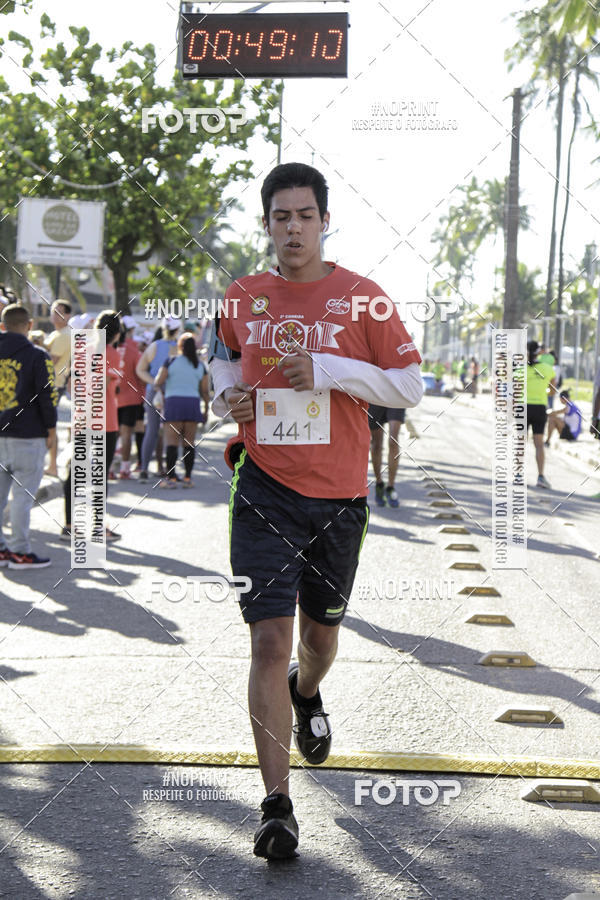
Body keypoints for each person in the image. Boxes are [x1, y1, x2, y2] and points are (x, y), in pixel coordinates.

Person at [209, 162, 423, 860]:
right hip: (263, 486)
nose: (293, 227)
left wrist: (329, 370)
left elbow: (409, 385)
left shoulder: (365, 301)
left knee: (318, 642)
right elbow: (222, 358)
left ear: (325, 221)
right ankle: (277, 806)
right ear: (266, 224)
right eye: (280, 216)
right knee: (267, 642)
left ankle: (307, 693)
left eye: (305, 215)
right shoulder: (243, 295)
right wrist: (225, 400)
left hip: (338, 498)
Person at [0, 303, 57, 568]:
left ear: (3, 326)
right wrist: (52, 429)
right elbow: (48, 396)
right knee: (22, 499)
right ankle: (20, 552)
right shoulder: (37, 355)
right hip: (29, 434)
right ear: (30, 325)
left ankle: (2, 550)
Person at [154, 331, 209, 487]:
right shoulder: (200, 365)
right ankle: (187, 478)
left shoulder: (170, 361)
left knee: (171, 443)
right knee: (189, 443)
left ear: (179, 346)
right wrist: (205, 410)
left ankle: (171, 478)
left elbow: (158, 382)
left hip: (173, 403)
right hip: (192, 404)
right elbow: (204, 391)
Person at [135, 316, 181, 481]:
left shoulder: (154, 346)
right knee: (172, 433)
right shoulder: (179, 348)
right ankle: (170, 472)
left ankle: (144, 469)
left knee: (151, 432)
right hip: (172, 394)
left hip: (153, 393)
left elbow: (140, 369)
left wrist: (154, 382)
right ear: (177, 330)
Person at [44, 299, 72, 475]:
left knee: (49, 426)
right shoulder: (57, 333)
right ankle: (51, 465)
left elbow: (50, 359)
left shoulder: (64, 335)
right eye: (54, 311)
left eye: (60, 311)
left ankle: (53, 466)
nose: (55, 315)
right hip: (50, 383)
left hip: (53, 384)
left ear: (68, 315)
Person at [116, 316, 145, 479]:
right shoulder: (134, 349)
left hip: (111, 398)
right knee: (126, 433)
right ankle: (125, 468)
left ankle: (110, 468)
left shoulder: (103, 349)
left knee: (113, 434)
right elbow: (140, 374)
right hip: (131, 398)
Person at [525, 340, 555, 488]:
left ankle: (517, 476)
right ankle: (541, 477)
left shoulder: (519, 370)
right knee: (539, 444)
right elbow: (553, 390)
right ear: (540, 352)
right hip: (539, 408)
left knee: (519, 444)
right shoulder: (547, 369)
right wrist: (543, 390)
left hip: (522, 407)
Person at [368, 406, 405, 507]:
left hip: (396, 395)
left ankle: (390, 487)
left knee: (393, 441)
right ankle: (379, 484)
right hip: (375, 396)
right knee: (376, 444)